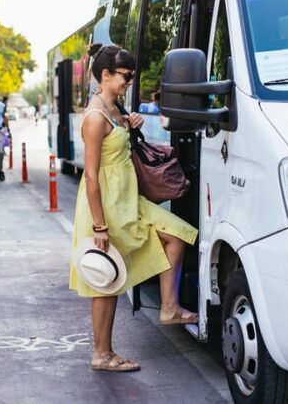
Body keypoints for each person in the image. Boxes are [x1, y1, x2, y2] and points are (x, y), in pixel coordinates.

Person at [69, 43, 198, 372]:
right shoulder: (95, 117)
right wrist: (99, 226)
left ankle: (168, 307)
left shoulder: (115, 109)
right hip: (106, 208)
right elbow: (93, 178)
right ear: (106, 75)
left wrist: (131, 124)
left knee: (178, 235)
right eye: (125, 76)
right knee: (106, 282)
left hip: (128, 201)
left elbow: (121, 148)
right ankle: (102, 354)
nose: (130, 81)